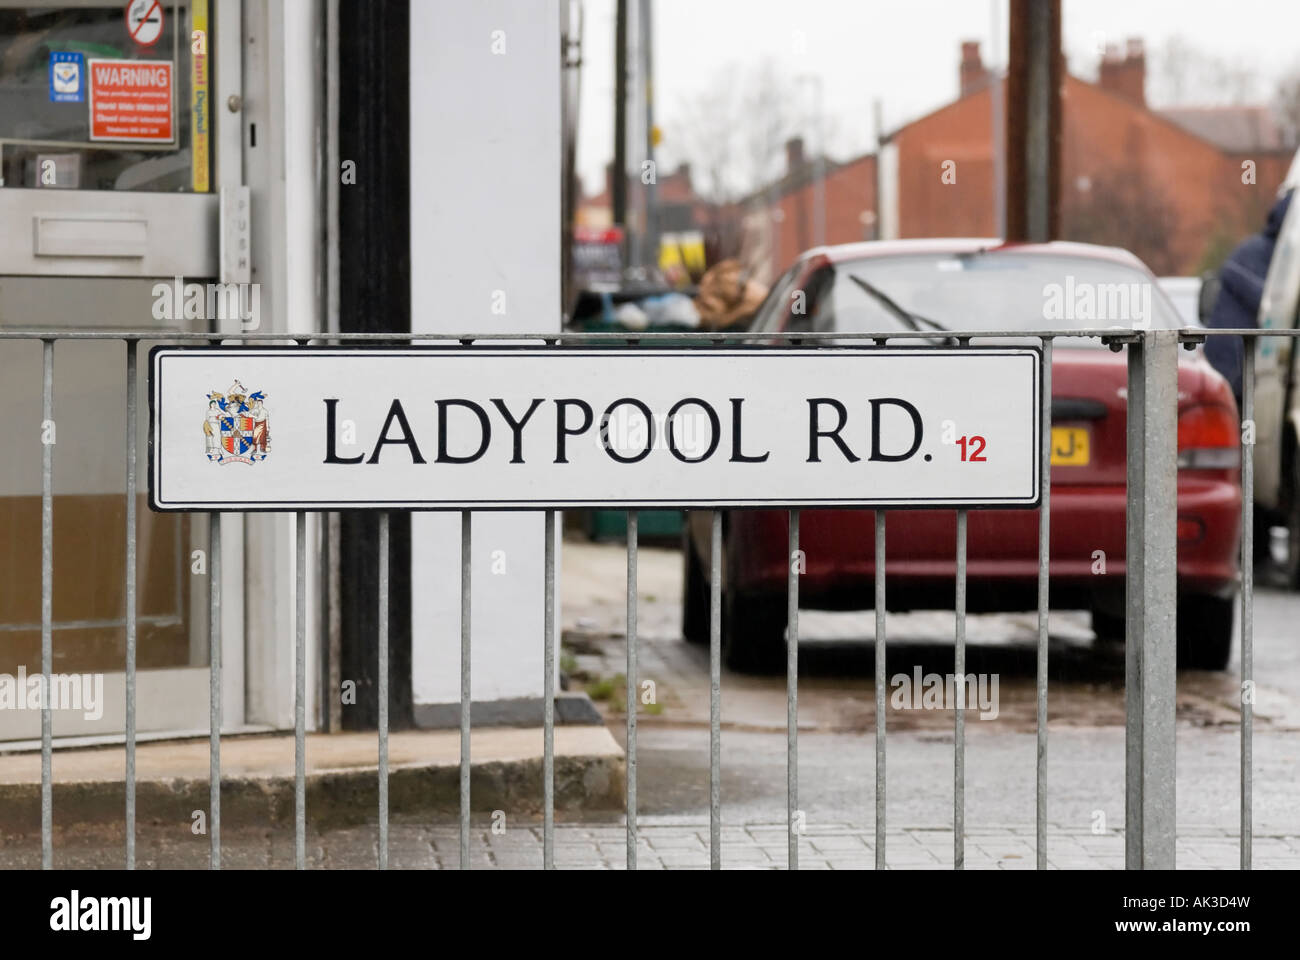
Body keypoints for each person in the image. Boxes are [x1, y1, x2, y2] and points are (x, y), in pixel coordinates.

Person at [1204, 189, 1293, 401]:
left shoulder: (1270, 253)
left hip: (1244, 366)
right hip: (1231, 364)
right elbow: (1268, 303)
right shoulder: (1258, 252)